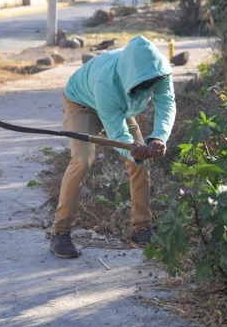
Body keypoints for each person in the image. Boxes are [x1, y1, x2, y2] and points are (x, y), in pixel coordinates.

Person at [50, 35, 176, 259]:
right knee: (82, 159)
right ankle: (60, 233)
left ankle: (142, 229)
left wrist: (158, 138)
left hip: (120, 108)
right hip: (82, 103)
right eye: (143, 85)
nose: (147, 88)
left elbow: (166, 103)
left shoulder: (159, 71)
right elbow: (117, 132)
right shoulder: (106, 82)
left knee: (140, 162)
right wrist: (131, 148)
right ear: (129, 76)